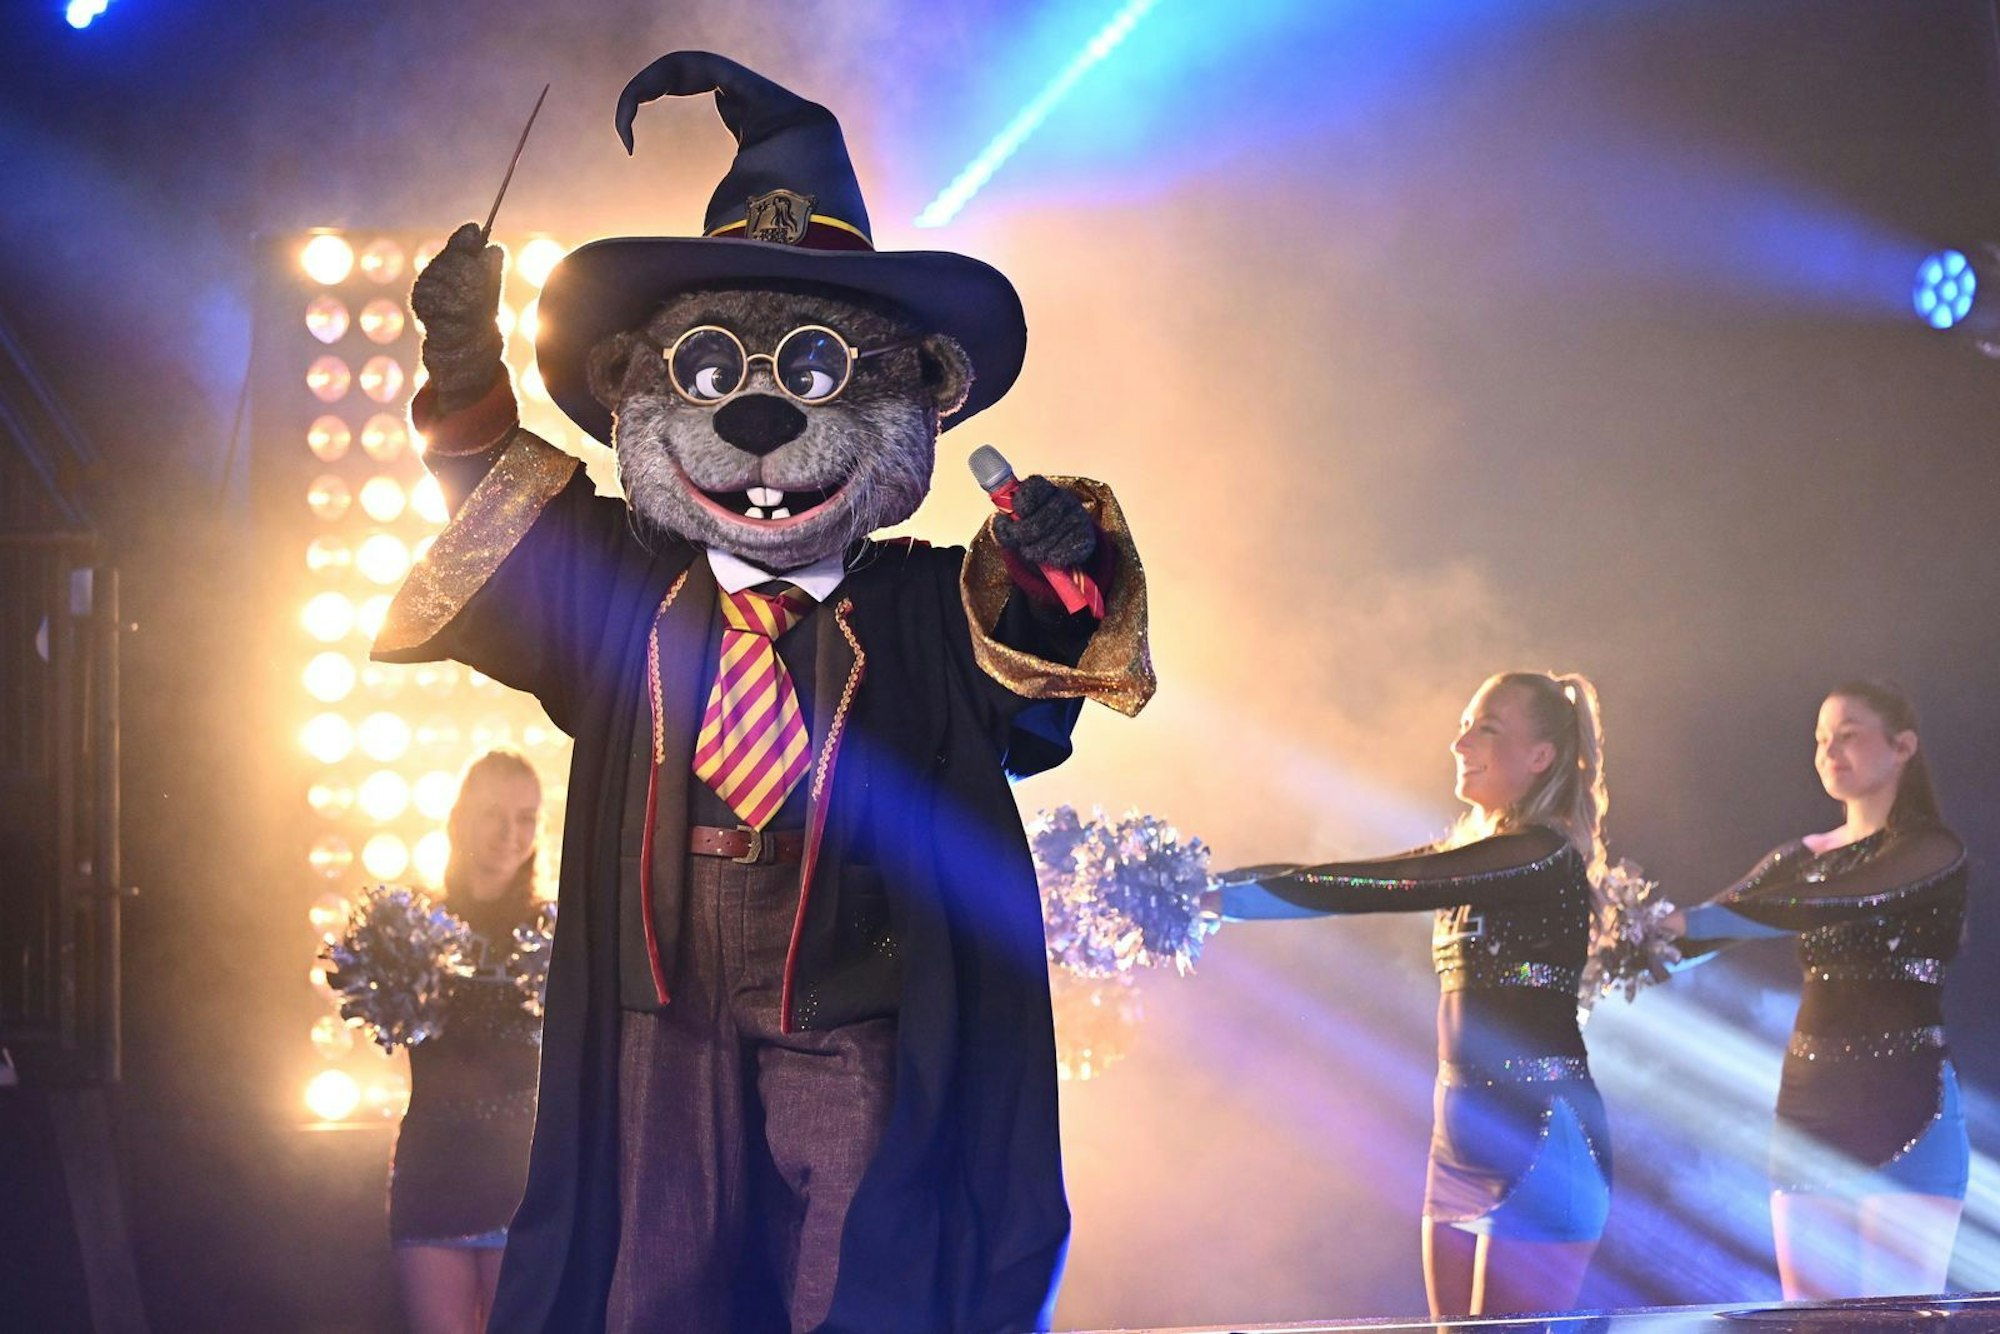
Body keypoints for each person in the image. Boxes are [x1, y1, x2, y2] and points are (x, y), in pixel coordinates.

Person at [1215, 671, 1614, 1318]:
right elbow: (1352, 878)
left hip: (1542, 1141)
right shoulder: (1480, 851)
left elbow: (1382, 882)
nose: (1461, 743)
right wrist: (1203, 889)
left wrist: (1220, 899)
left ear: (1540, 757)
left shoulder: (1540, 855)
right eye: (1464, 725)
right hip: (1458, 1140)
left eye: (1487, 728)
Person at [1675, 680, 1968, 1300]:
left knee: (1901, 1318)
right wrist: (1621, 934)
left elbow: (1841, 895)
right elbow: (1695, 937)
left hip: (1908, 1108)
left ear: (1903, 747)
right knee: (1810, 1320)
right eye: (1821, 740)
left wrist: (1692, 923)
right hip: (1811, 1111)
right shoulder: (1797, 857)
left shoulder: (1932, 851)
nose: (1830, 751)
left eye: (1849, 736)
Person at [391, 749, 547, 1334]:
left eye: (527, 817)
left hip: (524, 1183)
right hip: (434, 1174)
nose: (511, 833)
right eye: (494, 814)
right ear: (458, 819)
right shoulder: (406, 929)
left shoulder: (555, 933)